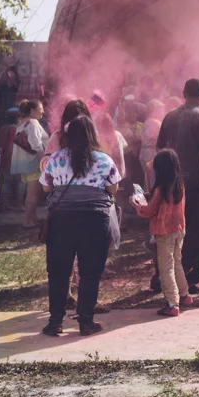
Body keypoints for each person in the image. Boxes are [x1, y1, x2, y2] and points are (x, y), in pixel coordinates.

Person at [37, 114, 117, 336]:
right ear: (92, 134)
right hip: (95, 220)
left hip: (62, 220)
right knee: (90, 273)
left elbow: (45, 187)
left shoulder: (56, 158)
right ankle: (86, 322)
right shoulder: (104, 160)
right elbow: (113, 189)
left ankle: (55, 322)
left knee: (58, 273)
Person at [156, 78, 199, 294]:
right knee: (196, 231)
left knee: (169, 230)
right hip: (196, 185)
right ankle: (191, 278)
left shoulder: (169, 117)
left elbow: (160, 151)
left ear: (183, 94)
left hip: (171, 184)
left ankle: (162, 276)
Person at [136, 148, 188, 316]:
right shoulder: (179, 185)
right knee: (177, 263)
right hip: (179, 229)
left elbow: (149, 211)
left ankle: (172, 304)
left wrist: (137, 205)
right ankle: (184, 295)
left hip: (164, 232)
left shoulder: (161, 189)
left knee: (166, 268)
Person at [13, 99, 49, 227]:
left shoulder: (22, 122)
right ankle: (27, 221)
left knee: (32, 192)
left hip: (25, 162)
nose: (43, 111)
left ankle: (34, 217)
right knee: (32, 194)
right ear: (33, 111)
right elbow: (36, 144)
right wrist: (45, 160)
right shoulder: (33, 122)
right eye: (40, 109)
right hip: (34, 162)